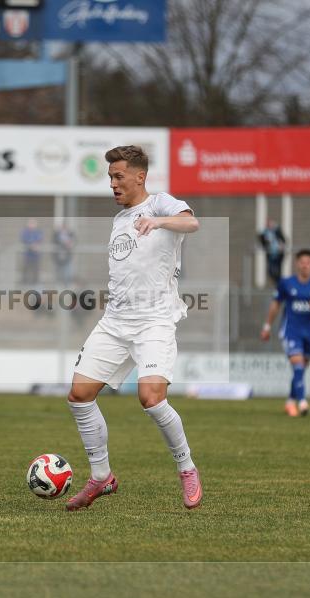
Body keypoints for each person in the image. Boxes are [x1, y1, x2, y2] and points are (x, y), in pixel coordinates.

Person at [65, 145, 202, 511]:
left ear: (140, 177)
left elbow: (192, 223)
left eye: (118, 176)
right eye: (110, 177)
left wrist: (158, 221)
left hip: (154, 321)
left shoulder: (159, 204)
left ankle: (187, 468)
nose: (112, 183)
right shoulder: (119, 220)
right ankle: (101, 477)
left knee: (151, 399)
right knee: (79, 395)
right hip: (115, 322)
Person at [260, 249, 310, 417]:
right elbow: (275, 305)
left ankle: (290, 402)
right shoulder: (287, 283)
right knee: (297, 365)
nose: (305, 265)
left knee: (301, 369)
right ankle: (302, 402)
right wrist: (267, 327)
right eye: (302, 262)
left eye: (308, 262)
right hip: (290, 331)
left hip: (309, 333)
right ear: (297, 264)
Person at [259, 218, 287, 287]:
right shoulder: (264, 233)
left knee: (278, 270)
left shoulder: (277, 231)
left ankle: (279, 284)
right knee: (270, 270)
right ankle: (277, 284)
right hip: (270, 254)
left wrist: (281, 245)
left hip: (278, 254)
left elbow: (283, 240)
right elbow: (263, 242)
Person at [21, 218, 43, 285]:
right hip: (27, 255)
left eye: (33, 223)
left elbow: (39, 239)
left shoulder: (38, 232)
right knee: (26, 269)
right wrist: (31, 245)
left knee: (35, 270)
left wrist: (35, 245)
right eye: (30, 223)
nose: (31, 225)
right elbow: (24, 239)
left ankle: (35, 283)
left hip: (35, 255)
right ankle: (24, 283)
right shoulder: (25, 232)